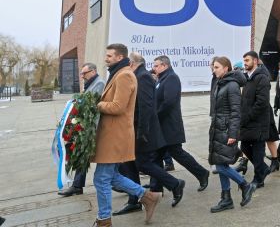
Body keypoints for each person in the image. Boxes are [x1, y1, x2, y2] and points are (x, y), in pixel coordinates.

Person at [91, 44, 160, 226]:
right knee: (111, 177)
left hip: (115, 136)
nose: (106, 59)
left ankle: (104, 220)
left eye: (110, 56)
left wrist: (96, 104)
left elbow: (118, 106)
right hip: (111, 135)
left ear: (120, 57)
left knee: (101, 179)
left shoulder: (125, 75)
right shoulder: (117, 74)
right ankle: (147, 196)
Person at [114, 53, 185, 216]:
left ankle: (175, 184)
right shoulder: (136, 75)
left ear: (131, 63)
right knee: (131, 165)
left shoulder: (143, 77)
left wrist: (142, 132)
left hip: (142, 131)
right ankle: (134, 200)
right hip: (134, 129)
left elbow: (146, 107)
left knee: (142, 164)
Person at [152, 56, 210, 192]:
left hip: (170, 125)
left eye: (156, 66)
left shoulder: (171, 78)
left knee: (177, 153)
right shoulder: (162, 78)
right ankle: (156, 187)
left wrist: (155, 115)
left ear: (164, 65)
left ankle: (201, 173)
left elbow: (168, 102)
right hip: (162, 126)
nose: (154, 68)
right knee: (156, 156)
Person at [209, 56, 257, 212]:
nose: (213, 69)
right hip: (218, 129)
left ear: (226, 68)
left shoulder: (232, 86)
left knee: (220, 166)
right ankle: (226, 199)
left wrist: (233, 134)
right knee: (221, 162)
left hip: (226, 130)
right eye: (213, 67)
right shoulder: (220, 83)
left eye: (216, 67)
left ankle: (245, 185)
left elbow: (236, 112)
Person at [58, 63, 105, 197]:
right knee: (80, 154)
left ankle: (126, 185)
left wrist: (78, 103)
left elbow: (91, 103)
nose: (82, 76)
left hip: (91, 126)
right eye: (81, 73)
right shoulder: (90, 83)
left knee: (85, 154)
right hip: (84, 124)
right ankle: (77, 186)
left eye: (85, 73)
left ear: (93, 71)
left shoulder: (99, 83)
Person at [239, 51, 271, 188]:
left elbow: (262, 102)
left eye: (247, 60)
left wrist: (249, 116)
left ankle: (259, 179)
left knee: (258, 151)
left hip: (258, 121)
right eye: (244, 60)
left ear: (256, 61)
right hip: (247, 121)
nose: (245, 63)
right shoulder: (247, 78)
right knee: (244, 147)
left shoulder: (262, 78)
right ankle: (263, 169)